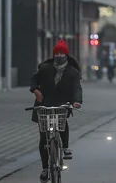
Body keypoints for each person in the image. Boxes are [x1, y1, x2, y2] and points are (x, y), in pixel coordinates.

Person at [30, 40, 83, 183]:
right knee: (43, 139)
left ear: (66, 54)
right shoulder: (45, 68)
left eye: (61, 53)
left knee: (62, 122)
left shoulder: (73, 72)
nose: (59, 55)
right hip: (44, 106)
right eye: (56, 53)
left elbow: (77, 88)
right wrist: (36, 91)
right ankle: (45, 168)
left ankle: (65, 147)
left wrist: (76, 102)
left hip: (62, 105)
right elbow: (34, 80)